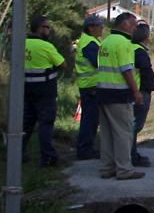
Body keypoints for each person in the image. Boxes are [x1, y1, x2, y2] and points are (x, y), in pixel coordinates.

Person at [95, 12, 145, 180]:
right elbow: (126, 70)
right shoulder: (124, 43)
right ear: (123, 24)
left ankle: (107, 168)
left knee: (107, 133)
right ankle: (124, 169)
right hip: (119, 94)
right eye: (133, 24)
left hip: (103, 91)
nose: (135, 28)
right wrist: (136, 91)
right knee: (123, 133)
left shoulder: (106, 41)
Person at [24, 15, 67, 166]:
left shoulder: (22, 44)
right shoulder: (46, 46)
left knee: (26, 123)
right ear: (40, 28)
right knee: (45, 124)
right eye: (47, 27)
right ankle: (47, 156)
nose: (49, 30)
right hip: (45, 91)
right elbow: (63, 64)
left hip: (25, 90)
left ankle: (18, 153)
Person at [74, 14, 104, 160]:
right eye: (99, 26)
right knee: (90, 120)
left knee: (91, 118)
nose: (102, 28)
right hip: (91, 86)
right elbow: (98, 62)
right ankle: (85, 150)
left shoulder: (89, 41)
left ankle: (86, 148)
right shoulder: (90, 43)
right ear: (91, 28)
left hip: (88, 85)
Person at [130, 23, 154, 167]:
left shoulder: (131, 48)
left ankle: (132, 153)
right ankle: (132, 155)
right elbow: (145, 71)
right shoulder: (139, 51)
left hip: (135, 91)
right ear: (146, 37)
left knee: (132, 125)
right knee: (135, 125)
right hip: (140, 92)